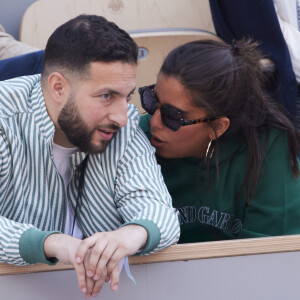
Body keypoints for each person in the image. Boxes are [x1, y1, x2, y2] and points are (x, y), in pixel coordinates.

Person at [0, 14, 180, 298]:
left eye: (127, 96)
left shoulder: (125, 126)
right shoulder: (3, 117)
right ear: (58, 87)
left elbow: (159, 212)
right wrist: (53, 243)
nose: (122, 116)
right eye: (106, 96)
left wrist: (128, 236)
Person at [139, 38, 300, 244]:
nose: (154, 121)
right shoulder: (139, 139)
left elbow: (269, 258)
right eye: (152, 101)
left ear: (217, 127)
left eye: (173, 115)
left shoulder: (268, 149)